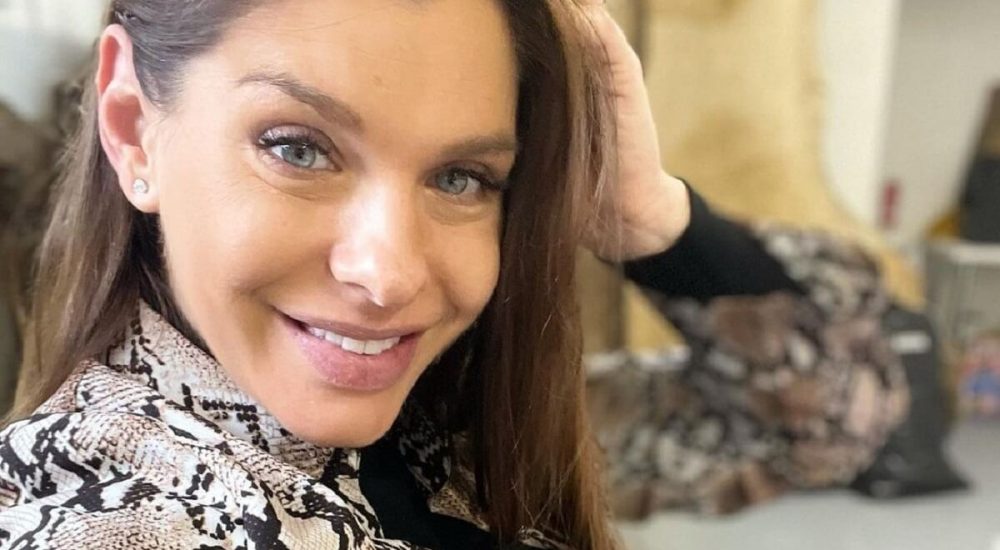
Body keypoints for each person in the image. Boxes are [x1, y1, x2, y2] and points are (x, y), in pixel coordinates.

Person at [0, 1, 690, 548]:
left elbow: (756, 422)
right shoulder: (114, 518)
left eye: (460, 178)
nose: (389, 277)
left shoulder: (467, 427)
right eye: (297, 149)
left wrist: (650, 219)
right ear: (130, 128)